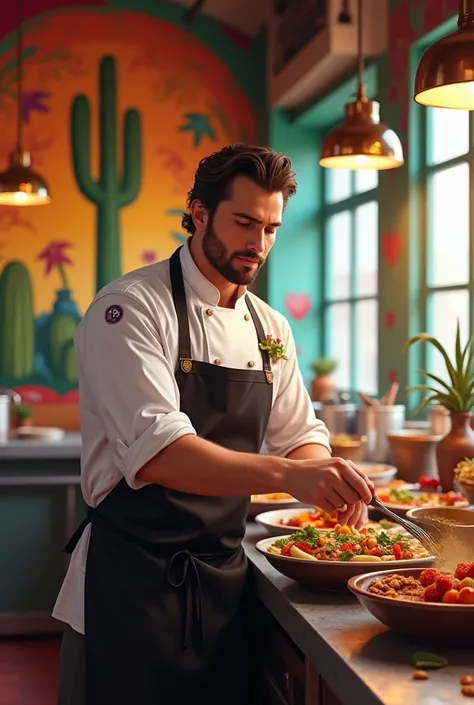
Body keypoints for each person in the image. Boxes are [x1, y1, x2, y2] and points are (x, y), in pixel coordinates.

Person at [54, 143, 374, 705]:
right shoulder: (130, 308)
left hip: (224, 581)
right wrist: (292, 477)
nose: (259, 244)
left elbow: (298, 435)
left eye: (271, 228)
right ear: (199, 213)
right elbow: (162, 454)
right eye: (245, 223)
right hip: (132, 585)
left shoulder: (268, 325)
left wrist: (326, 478)